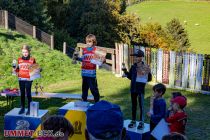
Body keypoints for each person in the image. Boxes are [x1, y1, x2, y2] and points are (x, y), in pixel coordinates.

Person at [122, 50, 151, 129]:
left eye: (137, 56)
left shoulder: (145, 66)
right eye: (135, 56)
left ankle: (141, 122)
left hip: (140, 89)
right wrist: (125, 71)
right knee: (134, 105)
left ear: (141, 57)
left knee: (141, 106)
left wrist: (147, 73)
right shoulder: (133, 66)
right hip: (133, 89)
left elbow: (149, 79)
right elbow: (130, 77)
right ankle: (133, 121)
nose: (135, 58)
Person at [76, 34, 100, 102]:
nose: (88, 43)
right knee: (84, 89)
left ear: (94, 42)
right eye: (87, 42)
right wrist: (77, 58)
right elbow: (83, 59)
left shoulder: (96, 50)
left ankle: (97, 102)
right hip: (84, 74)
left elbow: (100, 61)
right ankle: (84, 101)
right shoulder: (84, 50)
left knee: (93, 89)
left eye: (90, 42)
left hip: (92, 75)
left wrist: (102, 60)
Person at [13, 45, 36, 115]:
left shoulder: (32, 59)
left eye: (26, 52)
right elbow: (17, 69)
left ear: (29, 52)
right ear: (21, 52)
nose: (25, 53)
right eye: (23, 52)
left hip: (29, 79)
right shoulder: (19, 59)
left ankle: (29, 109)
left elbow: (35, 69)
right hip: (21, 79)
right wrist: (14, 70)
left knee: (28, 94)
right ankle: (22, 108)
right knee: (22, 94)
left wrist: (38, 69)